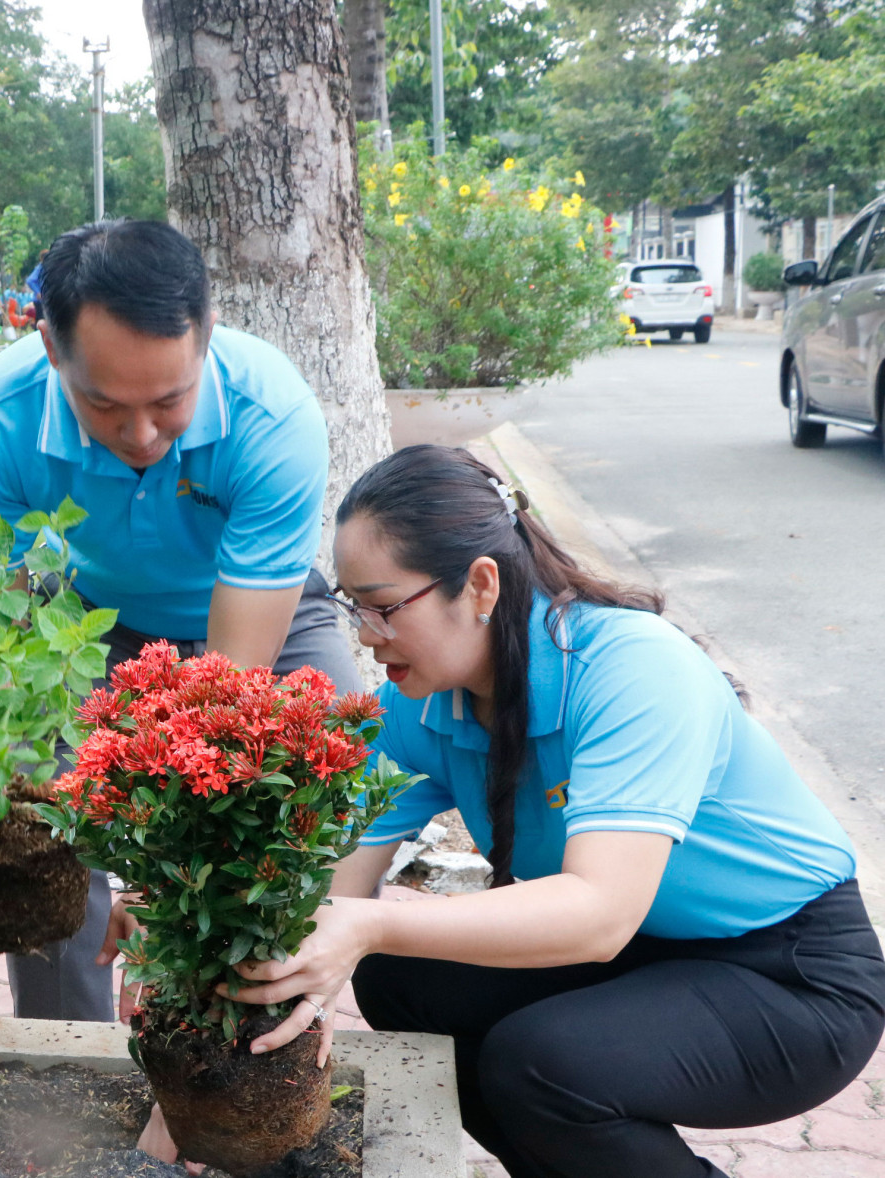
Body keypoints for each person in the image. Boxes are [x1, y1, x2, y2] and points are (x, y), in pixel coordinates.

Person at [224, 445, 885, 1178]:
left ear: (480, 585)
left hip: (789, 973)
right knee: (401, 979)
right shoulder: (421, 703)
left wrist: (370, 924)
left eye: (383, 607)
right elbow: (330, 888)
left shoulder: (633, 669)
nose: (366, 636)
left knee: (544, 1066)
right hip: (645, 950)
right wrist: (251, 1021)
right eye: (353, 607)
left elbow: (600, 914)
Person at [0, 218, 363, 1036]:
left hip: (256, 616)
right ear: (51, 350)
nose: (140, 437)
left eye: (170, 403)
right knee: (40, 821)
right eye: (104, 404)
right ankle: (65, 1049)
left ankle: (263, 1033)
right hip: (91, 619)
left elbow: (230, 689)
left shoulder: (272, 417)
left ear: (207, 336)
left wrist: (163, 878)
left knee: (324, 775)